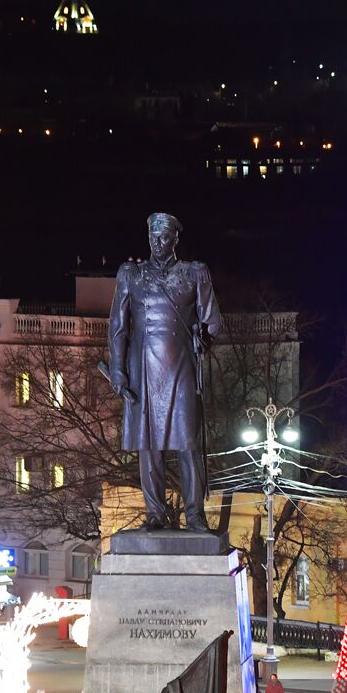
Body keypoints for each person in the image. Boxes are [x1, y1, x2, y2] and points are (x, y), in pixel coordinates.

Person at [107, 212, 223, 532]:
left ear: (175, 239)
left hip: (181, 368)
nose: (157, 243)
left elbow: (212, 321)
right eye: (153, 237)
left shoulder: (194, 274)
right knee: (149, 446)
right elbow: (118, 328)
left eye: (163, 237)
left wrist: (205, 337)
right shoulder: (132, 275)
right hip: (143, 369)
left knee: (188, 443)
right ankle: (155, 514)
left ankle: (195, 515)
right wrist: (118, 372)